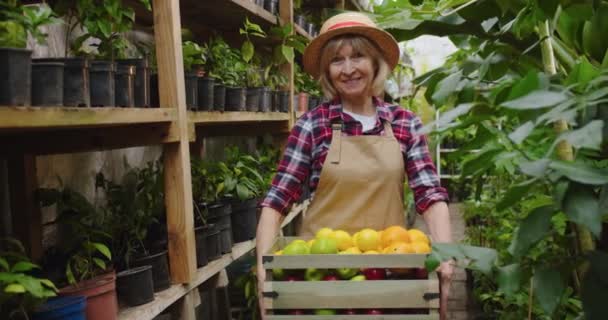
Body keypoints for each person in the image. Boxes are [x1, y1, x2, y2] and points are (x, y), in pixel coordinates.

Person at [256, 12, 453, 319]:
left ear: (375, 63)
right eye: (337, 60)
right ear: (327, 71)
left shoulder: (404, 124)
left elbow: (430, 196)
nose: (348, 70)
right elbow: (277, 201)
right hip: (322, 279)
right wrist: (262, 269)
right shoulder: (312, 125)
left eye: (358, 56)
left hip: (391, 274)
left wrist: (446, 256)